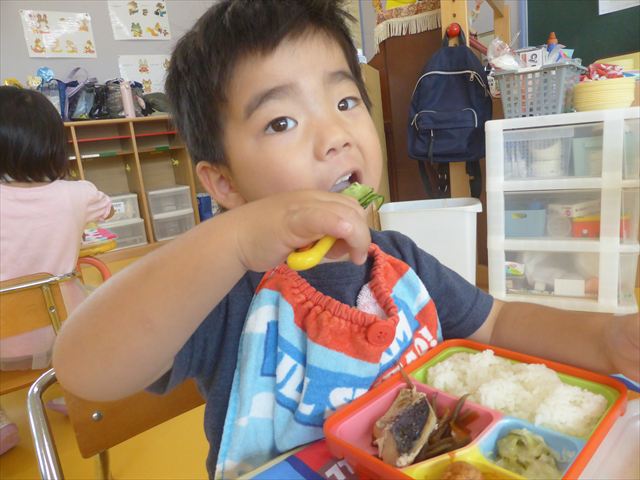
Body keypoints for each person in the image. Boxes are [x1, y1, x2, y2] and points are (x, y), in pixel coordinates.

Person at [52, 0, 640, 477]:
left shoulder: (402, 264)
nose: (334, 133)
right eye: (281, 121)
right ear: (224, 182)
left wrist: (608, 339)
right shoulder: (225, 290)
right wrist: (232, 241)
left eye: (344, 100)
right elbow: (86, 368)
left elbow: (499, 323)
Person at [0, 86, 113, 454]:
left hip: (2, 345)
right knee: (96, 298)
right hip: (62, 334)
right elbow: (108, 210)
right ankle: (79, 392)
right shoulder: (77, 194)